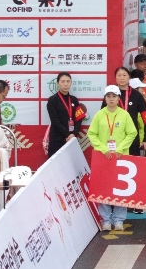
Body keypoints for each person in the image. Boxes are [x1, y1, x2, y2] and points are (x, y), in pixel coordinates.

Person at [87, 85, 138, 231]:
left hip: (121, 157)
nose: (111, 99)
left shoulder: (124, 115)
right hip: (103, 157)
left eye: (114, 96)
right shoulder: (99, 115)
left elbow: (132, 133)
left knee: (120, 187)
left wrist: (120, 148)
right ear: (105, 98)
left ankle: (119, 220)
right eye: (108, 96)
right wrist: (103, 149)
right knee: (104, 188)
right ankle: (106, 220)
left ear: (118, 98)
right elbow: (92, 134)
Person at [45, 72, 84, 158]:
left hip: (71, 139)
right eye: (63, 81)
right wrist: (66, 135)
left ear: (71, 83)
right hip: (57, 139)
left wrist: (73, 134)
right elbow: (54, 120)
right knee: (56, 163)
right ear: (57, 83)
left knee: (71, 163)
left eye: (68, 81)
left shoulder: (74, 100)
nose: (65, 84)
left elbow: (79, 119)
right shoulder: (52, 100)